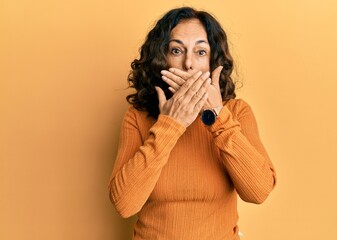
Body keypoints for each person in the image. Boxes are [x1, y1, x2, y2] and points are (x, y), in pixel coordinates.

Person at [109, 7, 276, 240]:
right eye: (176, 50)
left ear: (212, 61)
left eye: (200, 52)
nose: (188, 63)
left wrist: (216, 115)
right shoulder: (137, 117)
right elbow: (124, 204)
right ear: (162, 59)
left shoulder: (237, 112)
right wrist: (170, 124)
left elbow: (259, 192)